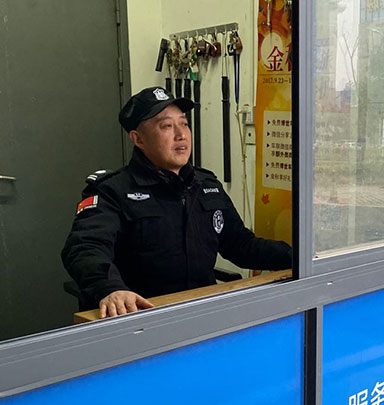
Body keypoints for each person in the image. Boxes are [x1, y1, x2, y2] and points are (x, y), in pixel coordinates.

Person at [62, 86, 292, 318]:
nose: (181, 135)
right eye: (166, 126)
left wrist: (299, 256)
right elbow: (84, 248)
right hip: (143, 317)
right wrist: (111, 289)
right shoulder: (113, 191)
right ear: (138, 139)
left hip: (203, 313)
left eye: (184, 123)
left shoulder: (206, 186)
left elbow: (241, 245)